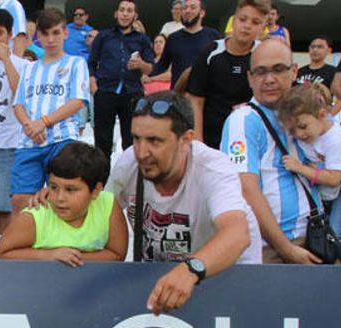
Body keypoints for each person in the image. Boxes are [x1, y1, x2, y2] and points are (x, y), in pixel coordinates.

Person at [109, 91, 260, 314]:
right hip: (165, 279)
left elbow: (237, 233)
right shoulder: (128, 163)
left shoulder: (213, 168)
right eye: (136, 138)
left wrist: (191, 269)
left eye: (155, 141)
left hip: (225, 275)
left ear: (186, 140)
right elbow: (98, 214)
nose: (141, 152)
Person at [221, 39, 320, 264]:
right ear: (249, 78)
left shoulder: (306, 111)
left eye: (278, 69)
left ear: (294, 71)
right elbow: (246, 189)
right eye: (260, 72)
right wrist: (286, 249)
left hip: (314, 238)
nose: (269, 80)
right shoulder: (244, 120)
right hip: (275, 249)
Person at [0, 141, 126, 265]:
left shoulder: (108, 205)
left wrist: (73, 258)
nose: (60, 198)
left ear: (96, 191)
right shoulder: (35, 216)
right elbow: (1, 254)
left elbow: (117, 254)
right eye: (53, 187)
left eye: (70, 190)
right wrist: (48, 255)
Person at [11, 8, 89, 214]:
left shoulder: (76, 63)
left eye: (56, 32)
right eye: (45, 34)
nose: (51, 39)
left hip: (62, 139)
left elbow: (77, 101)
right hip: (30, 141)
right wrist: (30, 126)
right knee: (20, 200)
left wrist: (43, 122)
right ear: (38, 36)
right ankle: (27, 244)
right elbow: (18, 104)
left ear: (65, 33)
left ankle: (60, 244)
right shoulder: (29, 68)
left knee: (61, 199)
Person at [186, 0, 268, 150]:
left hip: (249, 139)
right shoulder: (211, 52)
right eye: (243, 19)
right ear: (234, 20)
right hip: (211, 139)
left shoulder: (264, 55)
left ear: (263, 28)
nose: (247, 26)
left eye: (255, 22)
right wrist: (198, 143)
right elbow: (195, 100)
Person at [88, 0, 154, 162]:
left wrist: (141, 64)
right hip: (105, 91)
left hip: (132, 92)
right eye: (122, 10)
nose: (125, 14)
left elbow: (152, 68)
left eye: (129, 10)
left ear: (135, 15)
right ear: (116, 13)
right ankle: (101, 184)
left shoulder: (143, 39)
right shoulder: (104, 36)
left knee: (131, 142)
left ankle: (130, 183)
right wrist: (93, 84)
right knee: (102, 142)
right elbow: (91, 62)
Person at [276, 84, 341, 234]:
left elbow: (334, 179)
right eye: (292, 130)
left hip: (336, 195)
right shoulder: (311, 129)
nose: (299, 134)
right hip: (322, 196)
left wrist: (300, 168)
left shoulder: (335, 139)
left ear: (322, 115)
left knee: (335, 233)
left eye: (303, 126)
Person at [151, 0, 220, 88]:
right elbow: (162, 65)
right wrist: (144, 69)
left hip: (206, 95)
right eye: (185, 8)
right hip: (179, 95)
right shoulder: (173, 38)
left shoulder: (213, 36)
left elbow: (222, 65)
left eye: (193, 7)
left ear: (202, 13)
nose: (187, 11)